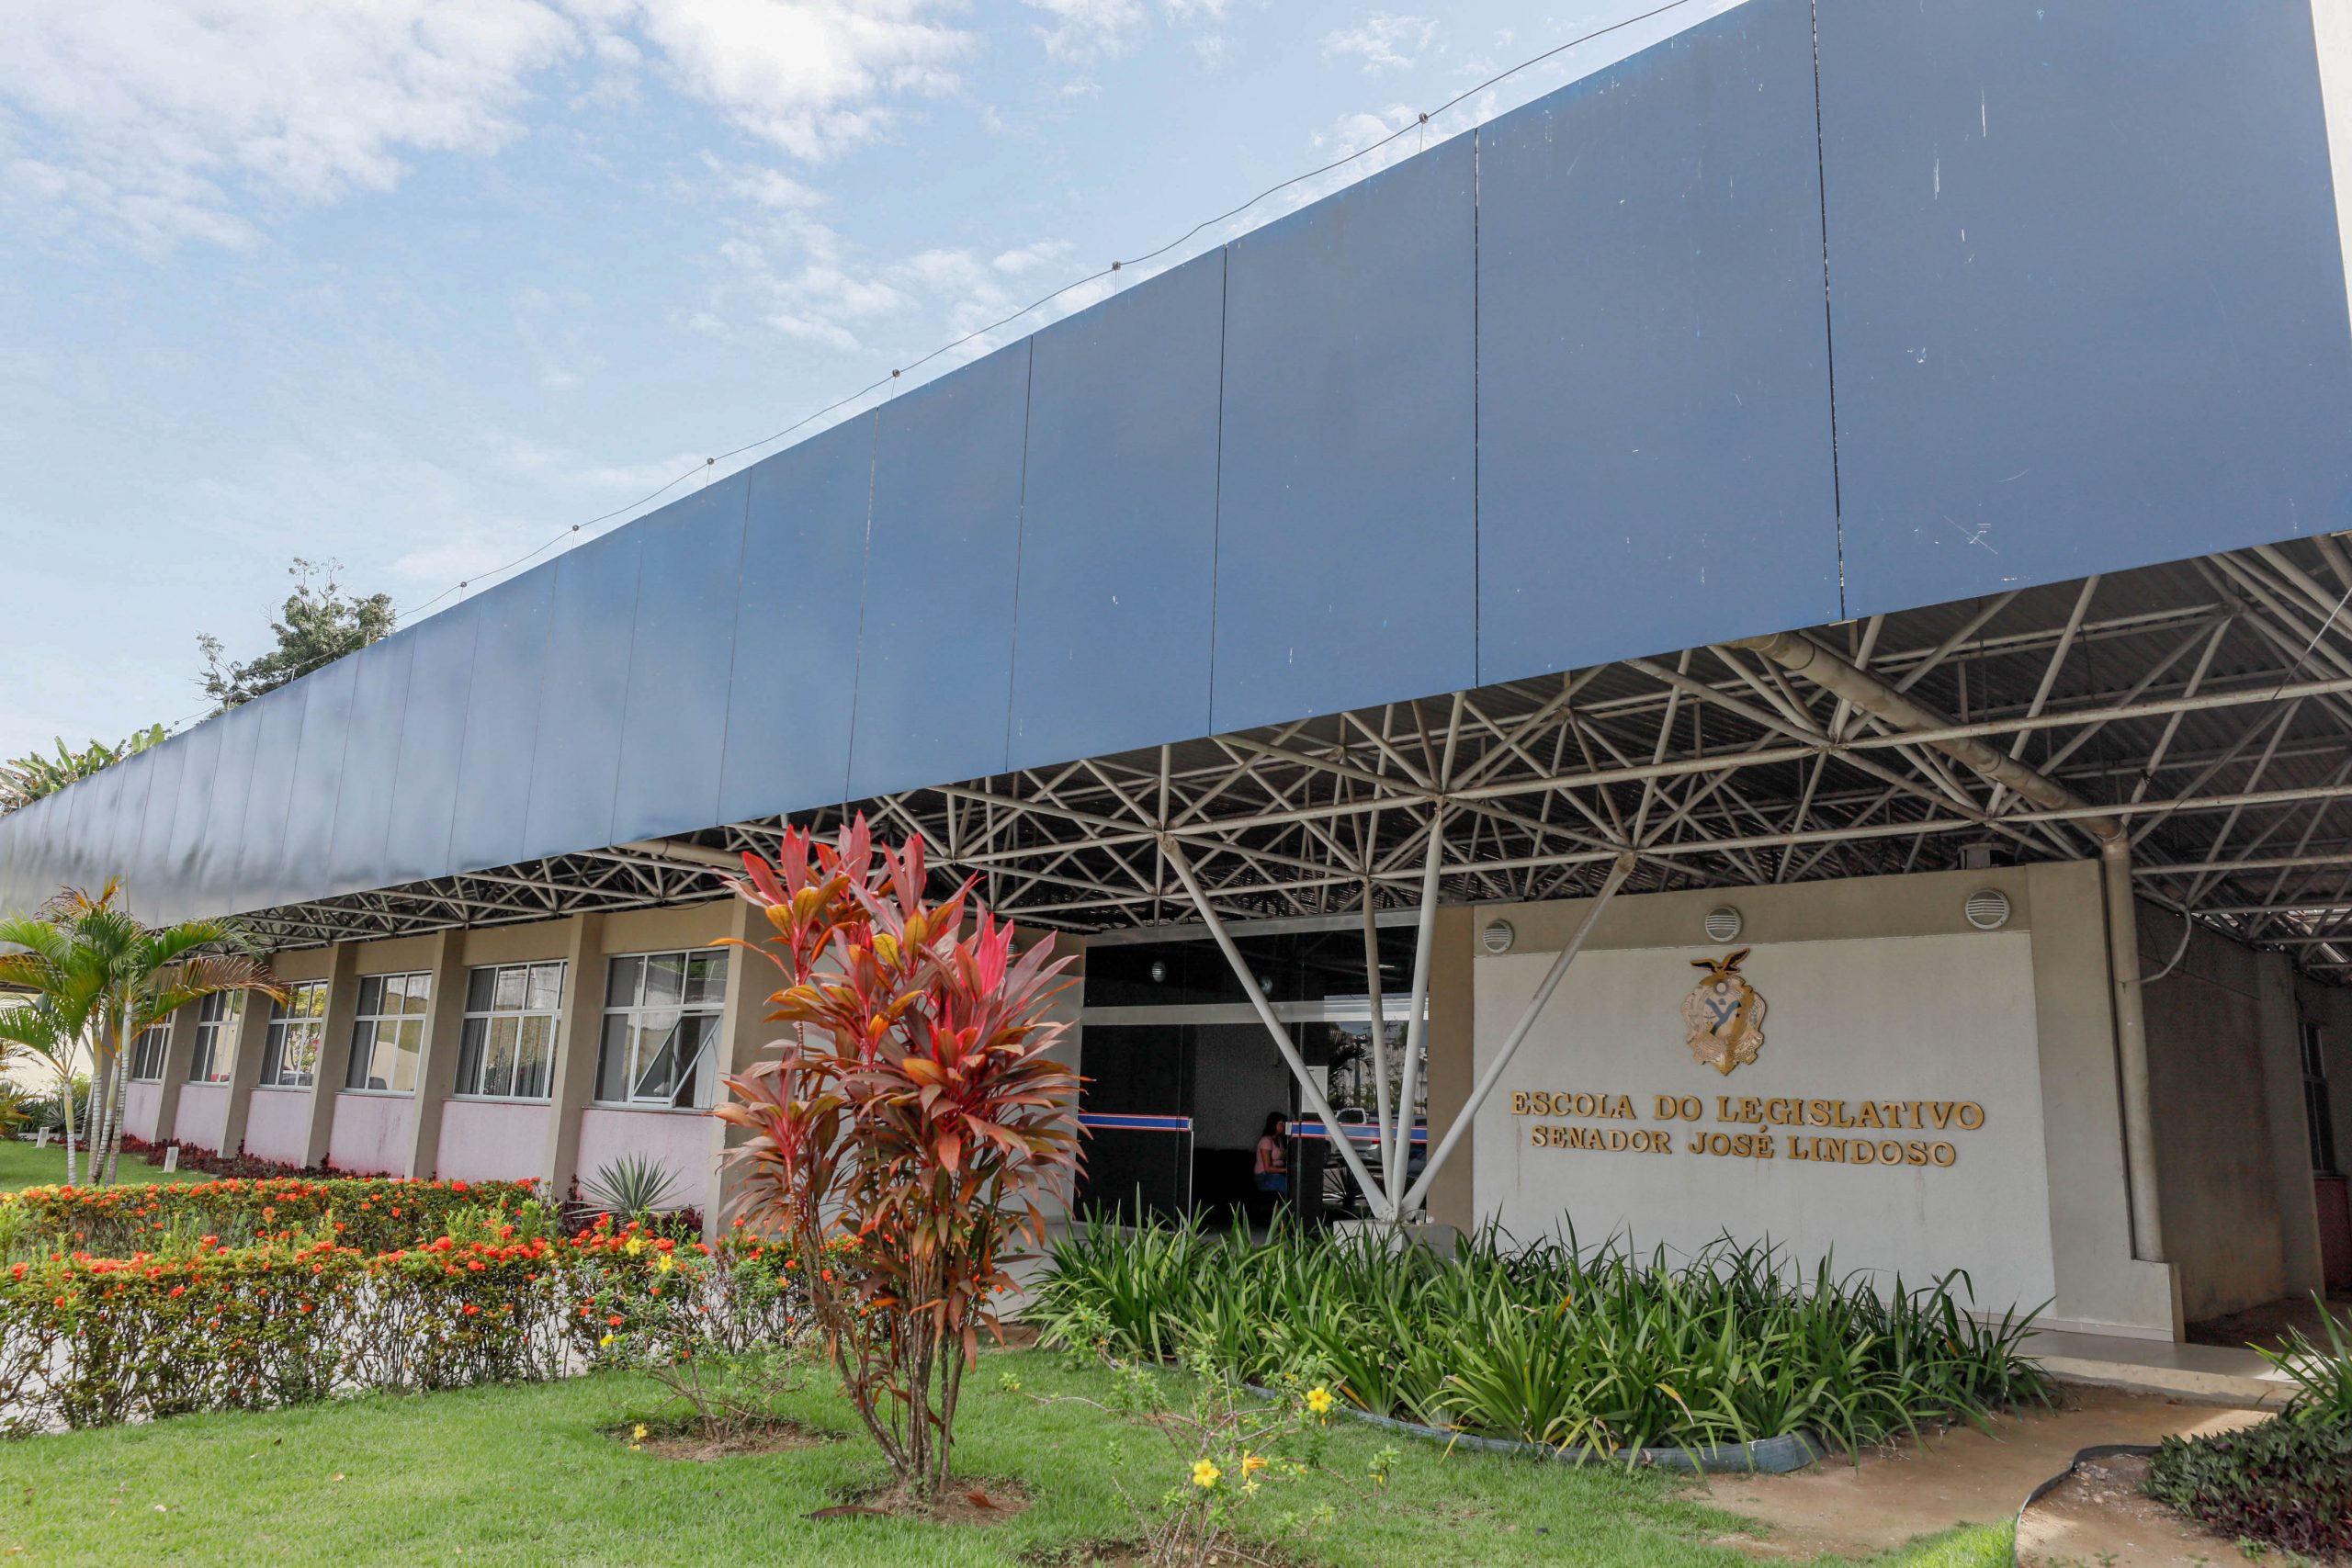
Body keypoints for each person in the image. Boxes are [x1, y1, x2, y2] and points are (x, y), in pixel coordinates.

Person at [1253, 1111, 1289, 1196]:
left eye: (1284, 1123)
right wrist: (1288, 1170)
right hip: (1265, 1176)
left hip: (1277, 1173)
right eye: (1281, 1123)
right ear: (1274, 1124)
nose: (1283, 1125)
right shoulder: (1266, 1141)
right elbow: (1268, 1168)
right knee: (1288, 1186)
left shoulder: (1279, 1140)